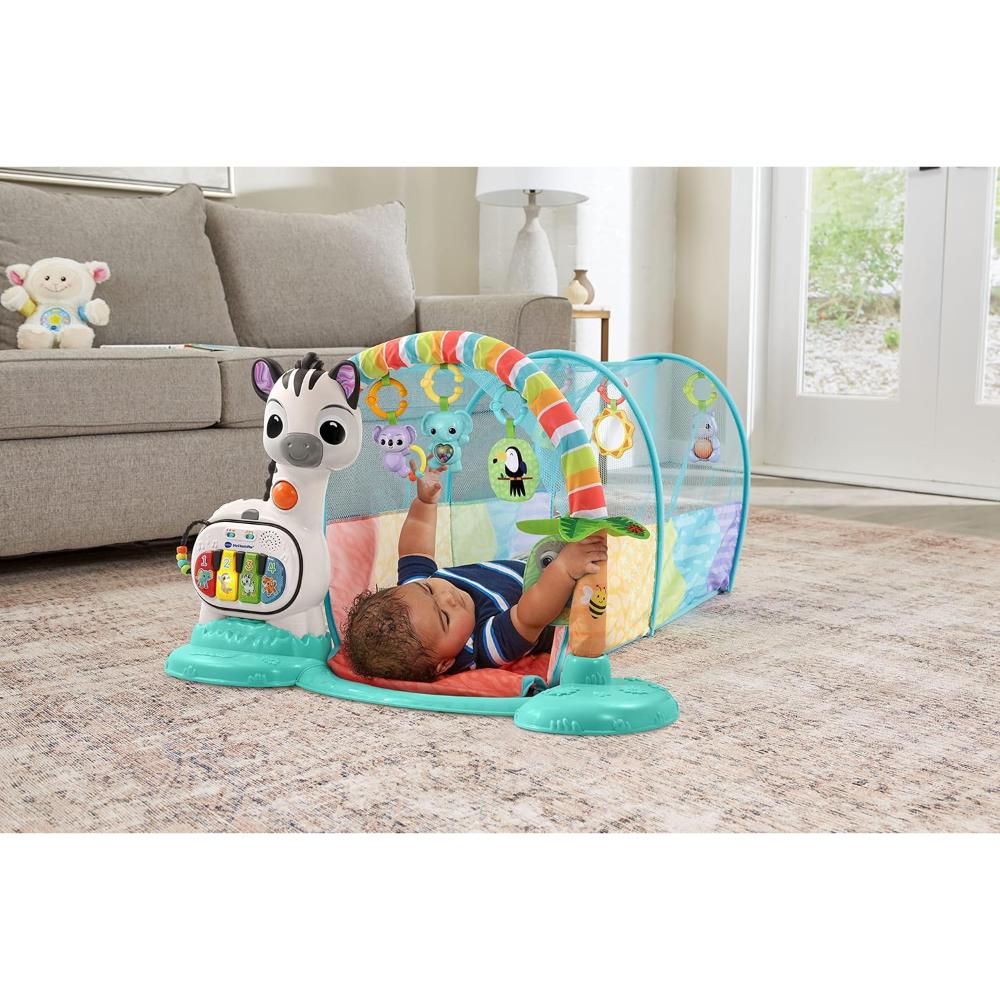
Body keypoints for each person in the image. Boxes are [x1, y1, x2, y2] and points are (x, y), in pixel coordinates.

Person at [343, 465, 607, 683]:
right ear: (445, 663)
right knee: (595, 563)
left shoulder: (415, 591)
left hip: (526, 566)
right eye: (445, 618)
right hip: (562, 597)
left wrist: (424, 502)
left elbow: (415, 549)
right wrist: (564, 569)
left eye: (429, 590)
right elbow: (530, 617)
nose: (447, 597)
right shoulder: (483, 644)